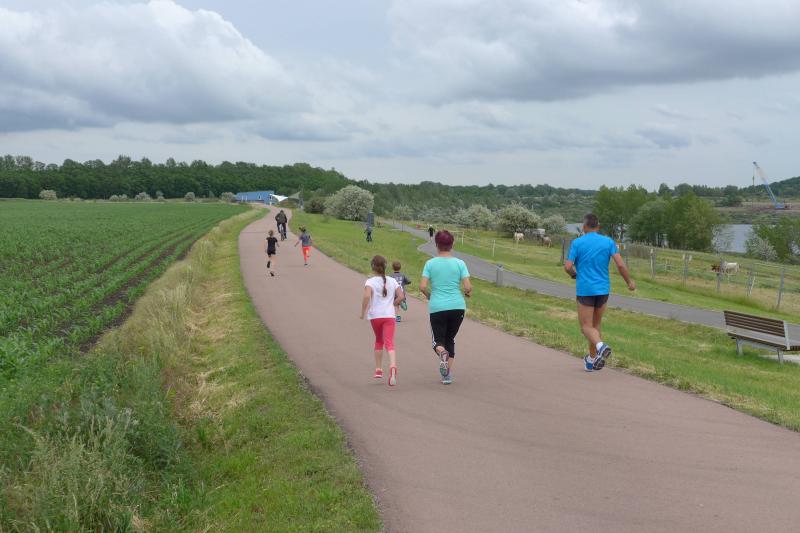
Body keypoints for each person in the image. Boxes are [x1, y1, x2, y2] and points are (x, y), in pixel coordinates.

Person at [564, 213, 636, 372]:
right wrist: (629, 282)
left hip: (585, 290)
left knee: (585, 327)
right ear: (598, 226)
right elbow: (620, 265)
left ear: (584, 227)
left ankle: (601, 346)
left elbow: (568, 267)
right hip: (603, 290)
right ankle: (591, 360)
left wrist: (574, 275)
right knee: (595, 326)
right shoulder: (608, 242)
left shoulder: (577, 242)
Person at [419, 230, 472, 385]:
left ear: (437, 245)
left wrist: (429, 295)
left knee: (438, 342)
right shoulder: (460, 263)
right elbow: (468, 287)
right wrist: (467, 293)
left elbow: (422, 286)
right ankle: (447, 375)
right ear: (452, 244)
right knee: (450, 339)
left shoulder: (430, 264)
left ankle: (442, 354)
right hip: (457, 307)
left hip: (438, 307)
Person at [360, 255, 404, 387]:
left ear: (373, 267)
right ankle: (393, 366)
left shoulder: (370, 282)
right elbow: (401, 296)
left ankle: (378, 369)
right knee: (389, 342)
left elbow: (366, 296)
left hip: (375, 316)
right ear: (385, 266)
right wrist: (394, 303)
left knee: (379, 340)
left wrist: (362, 312)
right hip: (389, 315)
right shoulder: (392, 281)